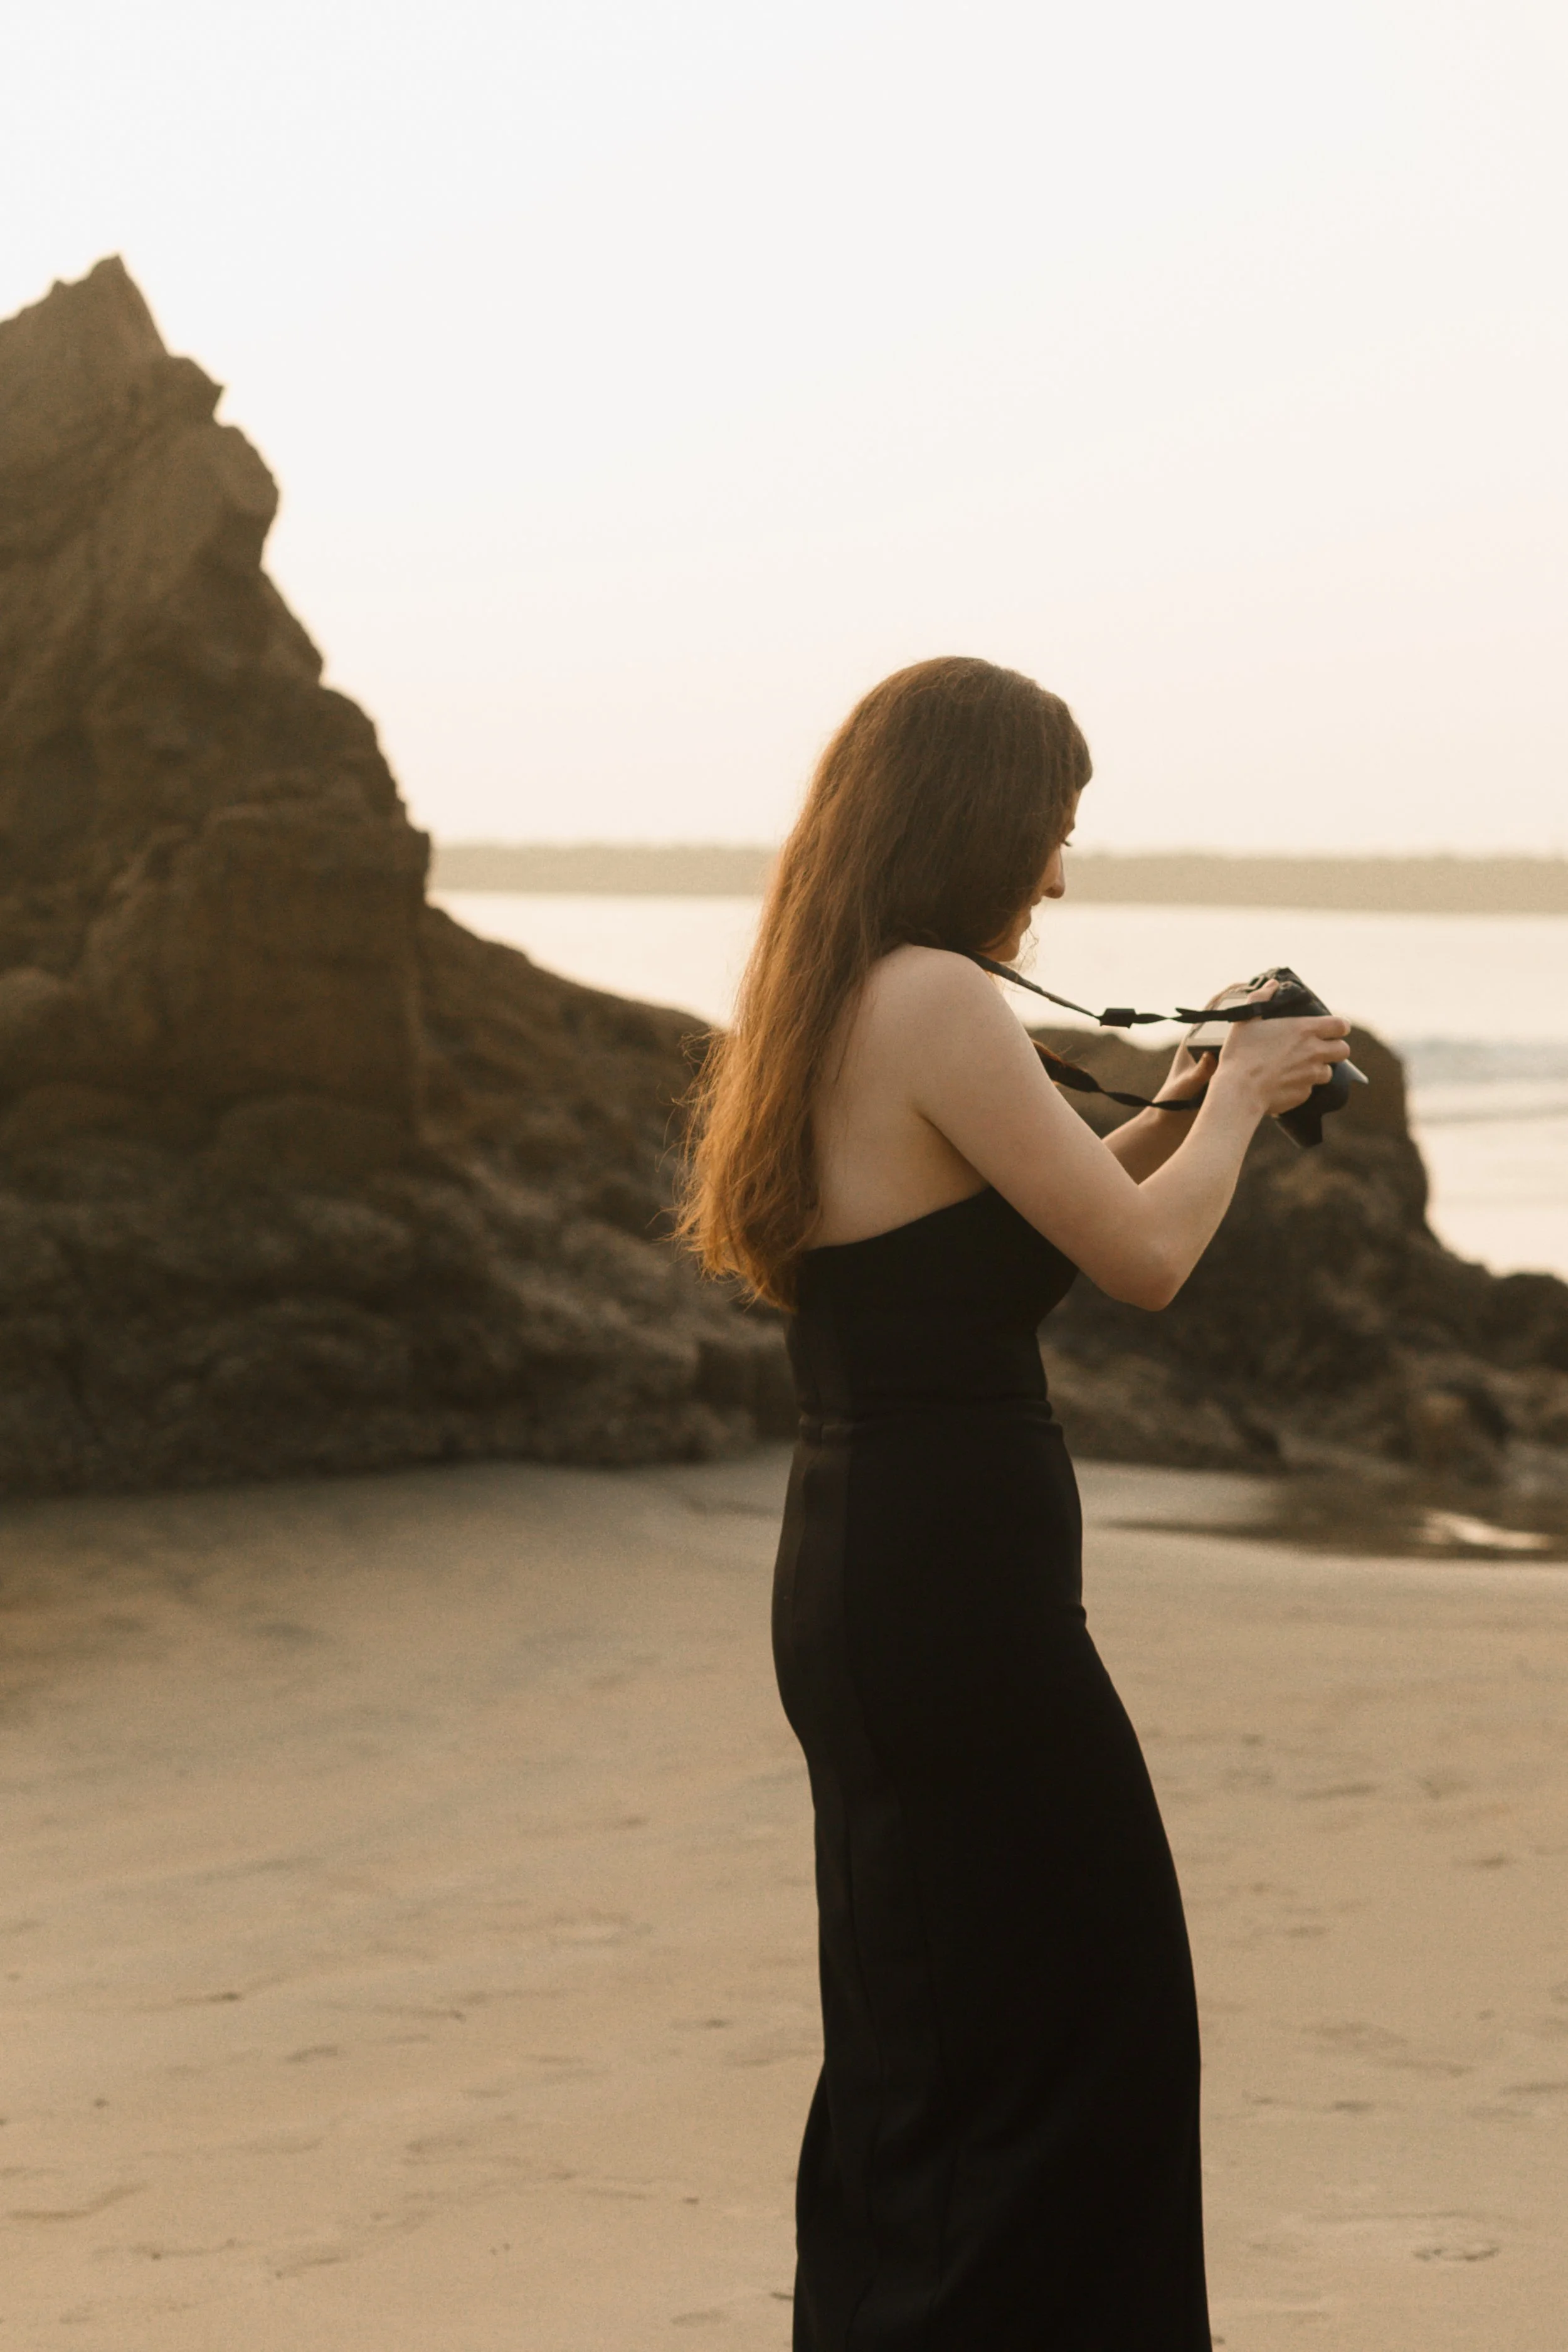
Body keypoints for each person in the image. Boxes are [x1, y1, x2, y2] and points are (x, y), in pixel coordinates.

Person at [679, 657, 1351, 2350]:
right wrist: (1254, 1102)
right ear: (978, 816)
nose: (1055, 872)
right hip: (955, 1596)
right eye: (1050, 829)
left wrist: (1195, 1094)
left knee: (934, 2040)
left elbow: (1026, 1232)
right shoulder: (932, 998)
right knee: (1089, 2021)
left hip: (864, 1574)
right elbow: (1137, 1261)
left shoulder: (837, 993)